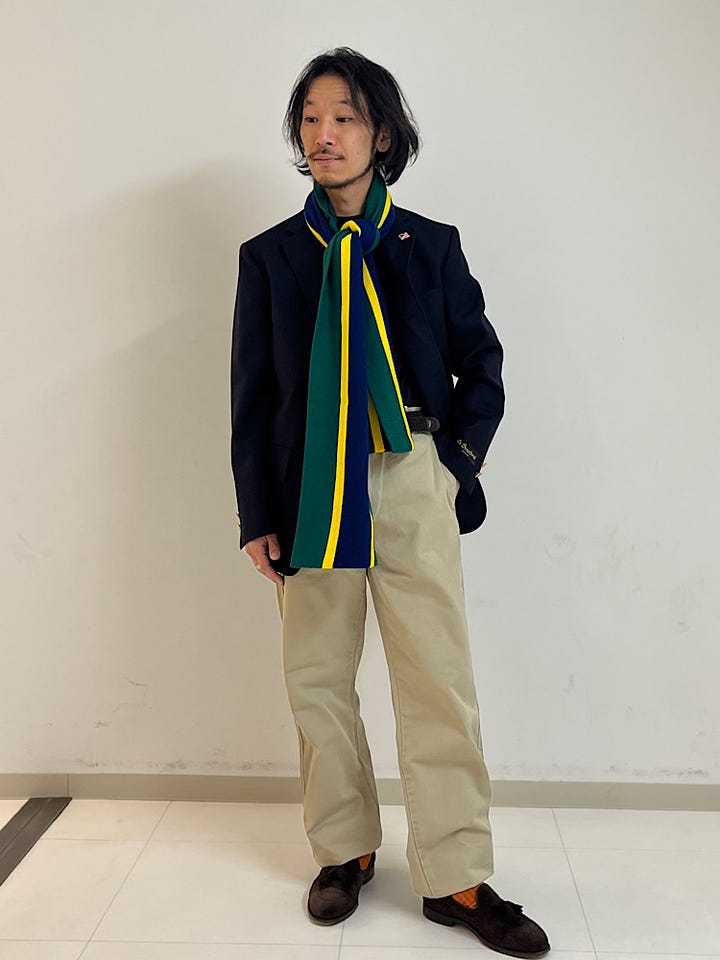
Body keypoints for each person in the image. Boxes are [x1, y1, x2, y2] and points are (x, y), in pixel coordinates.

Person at [230, 46, 550, 957]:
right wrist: (257, 514)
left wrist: (452, 466)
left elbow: (482, 366)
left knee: (438, 679)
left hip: (413, 473)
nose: (324, 133)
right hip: (310, 488)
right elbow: (252, 395)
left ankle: (457, 874)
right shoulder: (271, 257)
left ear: (381, 135)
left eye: (345, 117)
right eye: (311, 118)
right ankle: (345, 850)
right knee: (317, 679)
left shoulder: (430, 245)